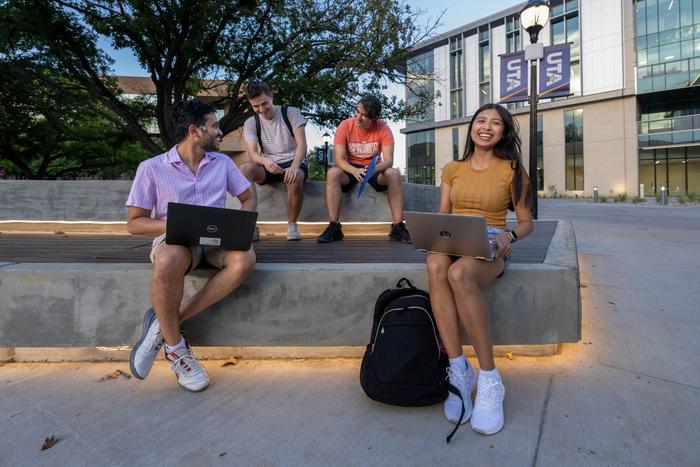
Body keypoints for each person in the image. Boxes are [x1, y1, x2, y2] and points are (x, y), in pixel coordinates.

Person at [126, 99, 256, 392]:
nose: (220, 132)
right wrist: (175, 225)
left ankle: (163, 324)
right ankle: (177, 349)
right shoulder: (151, 168)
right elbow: (135, 223)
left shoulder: (222, 163)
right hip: (176, 241)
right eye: (215, 126)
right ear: (194, 131)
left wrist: (242, 227)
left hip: (216, 241)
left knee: (245, 258)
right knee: (168, 258)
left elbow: (248, 198)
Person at [426, 103, 533, 435]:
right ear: (472, 127)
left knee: (459, 274)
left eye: (496, 123)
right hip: (456, 236)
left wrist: (508, 234)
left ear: (504, 132)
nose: (487, 127)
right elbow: (445, 215)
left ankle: (489, 378)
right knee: (435, 263)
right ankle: (459, 370)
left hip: (492, 242)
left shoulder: (512, 169)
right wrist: (433, 235)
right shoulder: (452, 169)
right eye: (481, 121)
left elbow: (527, 223)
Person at [316, 95, 411, 243]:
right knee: (332, 173)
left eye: (364, 116)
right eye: (357, 112)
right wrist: (354, 171)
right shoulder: (345, 126)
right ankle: (334, 227)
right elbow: (339, 159)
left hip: (374, 168)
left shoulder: (383, 129)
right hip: (350, 168)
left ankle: (398, 227)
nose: (358, 117)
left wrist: (374, 169)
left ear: (375, 118)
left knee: (393, 174)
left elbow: (389, 161)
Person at [240, 82, 308, 241]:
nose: (262, 109)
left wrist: (295, 166)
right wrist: (265, 161)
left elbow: (302, 144)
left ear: (271, 96)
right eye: (255, 106)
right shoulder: (250, 122)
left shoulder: (291, 112)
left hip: (294, 161)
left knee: (295, 176)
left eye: (264, 103)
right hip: (269, 165)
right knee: (244, 169)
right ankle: (250, 226)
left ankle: (292, 225)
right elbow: (253, 154)